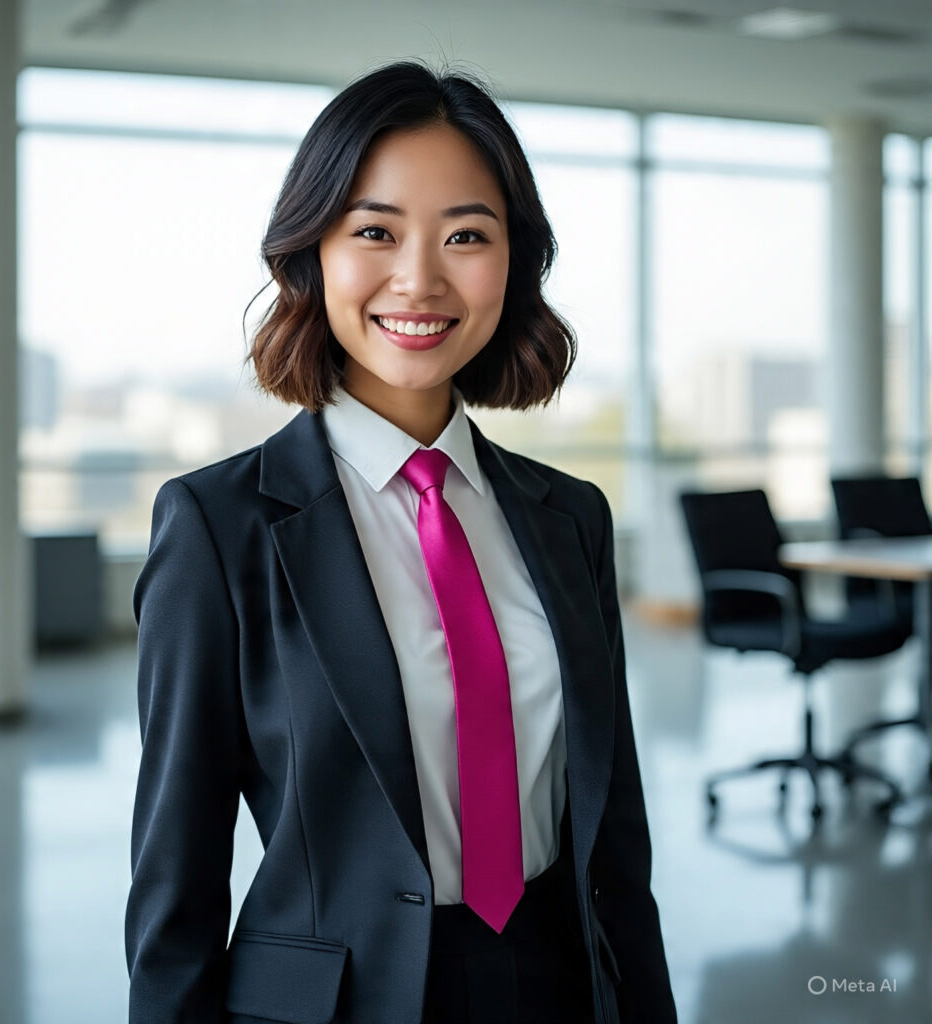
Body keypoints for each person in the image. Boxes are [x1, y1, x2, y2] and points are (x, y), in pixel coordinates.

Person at [125, 60, 677, 1024]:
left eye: (467, 235)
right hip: (339, 1003)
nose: (419, 279)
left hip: (559, 986)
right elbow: (175, 879)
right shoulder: (220, 528)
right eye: (374, 231)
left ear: (515, 262)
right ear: (313, 255)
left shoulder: (571, 517)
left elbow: (617, 845)